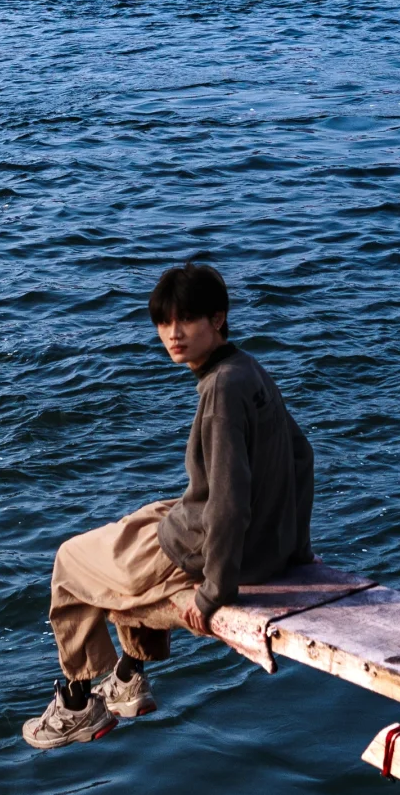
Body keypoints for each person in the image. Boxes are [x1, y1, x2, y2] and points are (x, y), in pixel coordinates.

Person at [22, 261, 315, 750]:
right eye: (163, 322)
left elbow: (227, 503)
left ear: (218, 319)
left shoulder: (220, 392)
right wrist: (295, 548)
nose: (172, 334)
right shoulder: (248, 370)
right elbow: (301, 457)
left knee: (72, 562)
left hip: (209, 553)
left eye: (186, 321)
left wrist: (213, 592)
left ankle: (77, 704)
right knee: (140, 520)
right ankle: (127, 677)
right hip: (258, 544)